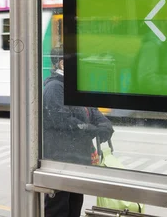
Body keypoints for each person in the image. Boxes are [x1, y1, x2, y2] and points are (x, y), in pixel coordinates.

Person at [43, 47, 114, 217]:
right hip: (60, 159)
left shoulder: (75, 88)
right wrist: (92, 130)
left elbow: (93, 110)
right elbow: (63, 120)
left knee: (75, 205)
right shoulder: (54, 88)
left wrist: (105, 124)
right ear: (62, 63)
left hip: (77, 159)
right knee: (59, 208)